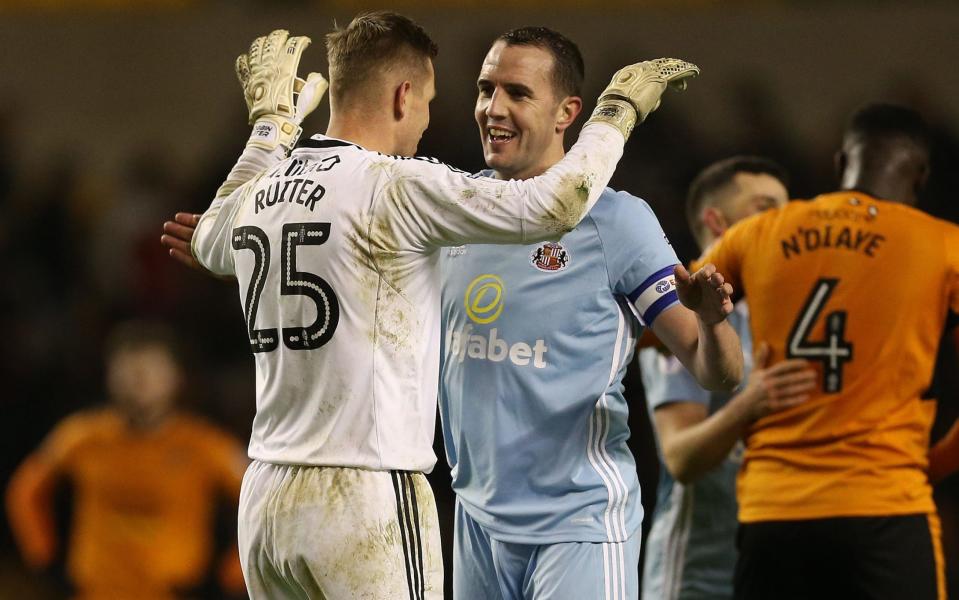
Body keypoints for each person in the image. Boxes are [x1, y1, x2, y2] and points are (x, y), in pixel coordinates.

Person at [161, 12, 710, 599]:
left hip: (267, 494)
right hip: (365, 488)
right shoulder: (397, 186)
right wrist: (616, 113)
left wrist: (270, 125)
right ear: (403, 97)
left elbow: (209, 239)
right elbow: (552, 206)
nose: (431, 119)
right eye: (428, 100)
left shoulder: (266, 193)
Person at [438, 28, 743, 600]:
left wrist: (711, 321)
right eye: (485, 89)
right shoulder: (455, 210)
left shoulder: (617, 223)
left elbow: (716, 371)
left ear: (567, 113)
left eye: (517, 93)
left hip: (578, 526)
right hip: (475, 524)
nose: (493, 109)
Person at [695, 103, 951, 600]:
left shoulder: (755, 234)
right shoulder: (942, 245)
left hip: (774, 512)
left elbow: (673, 308)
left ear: (840, 164)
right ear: (920, 177)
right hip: (884, 504)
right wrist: (934, 462)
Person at [637, 156, 814, 600]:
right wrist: (748, 405)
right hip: (697, 574)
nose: (782, 223)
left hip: (773, 566)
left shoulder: (786, 319)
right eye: (765, 208)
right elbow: (680, 458)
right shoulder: (682, 316)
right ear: (717, 223)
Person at [5, 321, 247, 599]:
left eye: (151, 368)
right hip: (96, 592)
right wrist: (43, 559)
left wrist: (235, 572)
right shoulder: (82, 436)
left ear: (176, 377)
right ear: (110, 374)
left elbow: (260, 503)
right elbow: (25, 491)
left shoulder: (205, 445)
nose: (139, 379)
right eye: (129, 368)